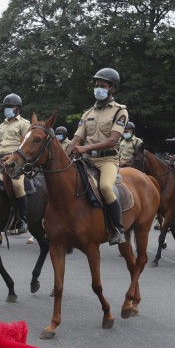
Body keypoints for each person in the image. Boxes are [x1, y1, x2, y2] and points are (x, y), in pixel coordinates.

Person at [68, 68, 129, 245]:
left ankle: (118, 228)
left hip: (107, 160)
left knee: (105, 188)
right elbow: (76, 139)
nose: (98, 89)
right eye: (96, 85)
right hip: (87, 160)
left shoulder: (120, 111)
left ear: (112, 88)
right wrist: (64, 157)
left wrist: (86, 148)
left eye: (102, 86)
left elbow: (113, 140)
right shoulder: (88, 113)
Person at [0, 93, 31, 234]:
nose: (7, 109)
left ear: (17, 108)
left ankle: (23, 220)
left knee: (17, 185)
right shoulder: (2, 125)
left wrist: (14, 155)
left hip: (17, 161)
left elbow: (27, 146)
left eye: (10, 107)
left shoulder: (24, 124)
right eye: (6, 107)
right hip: (1, 159)